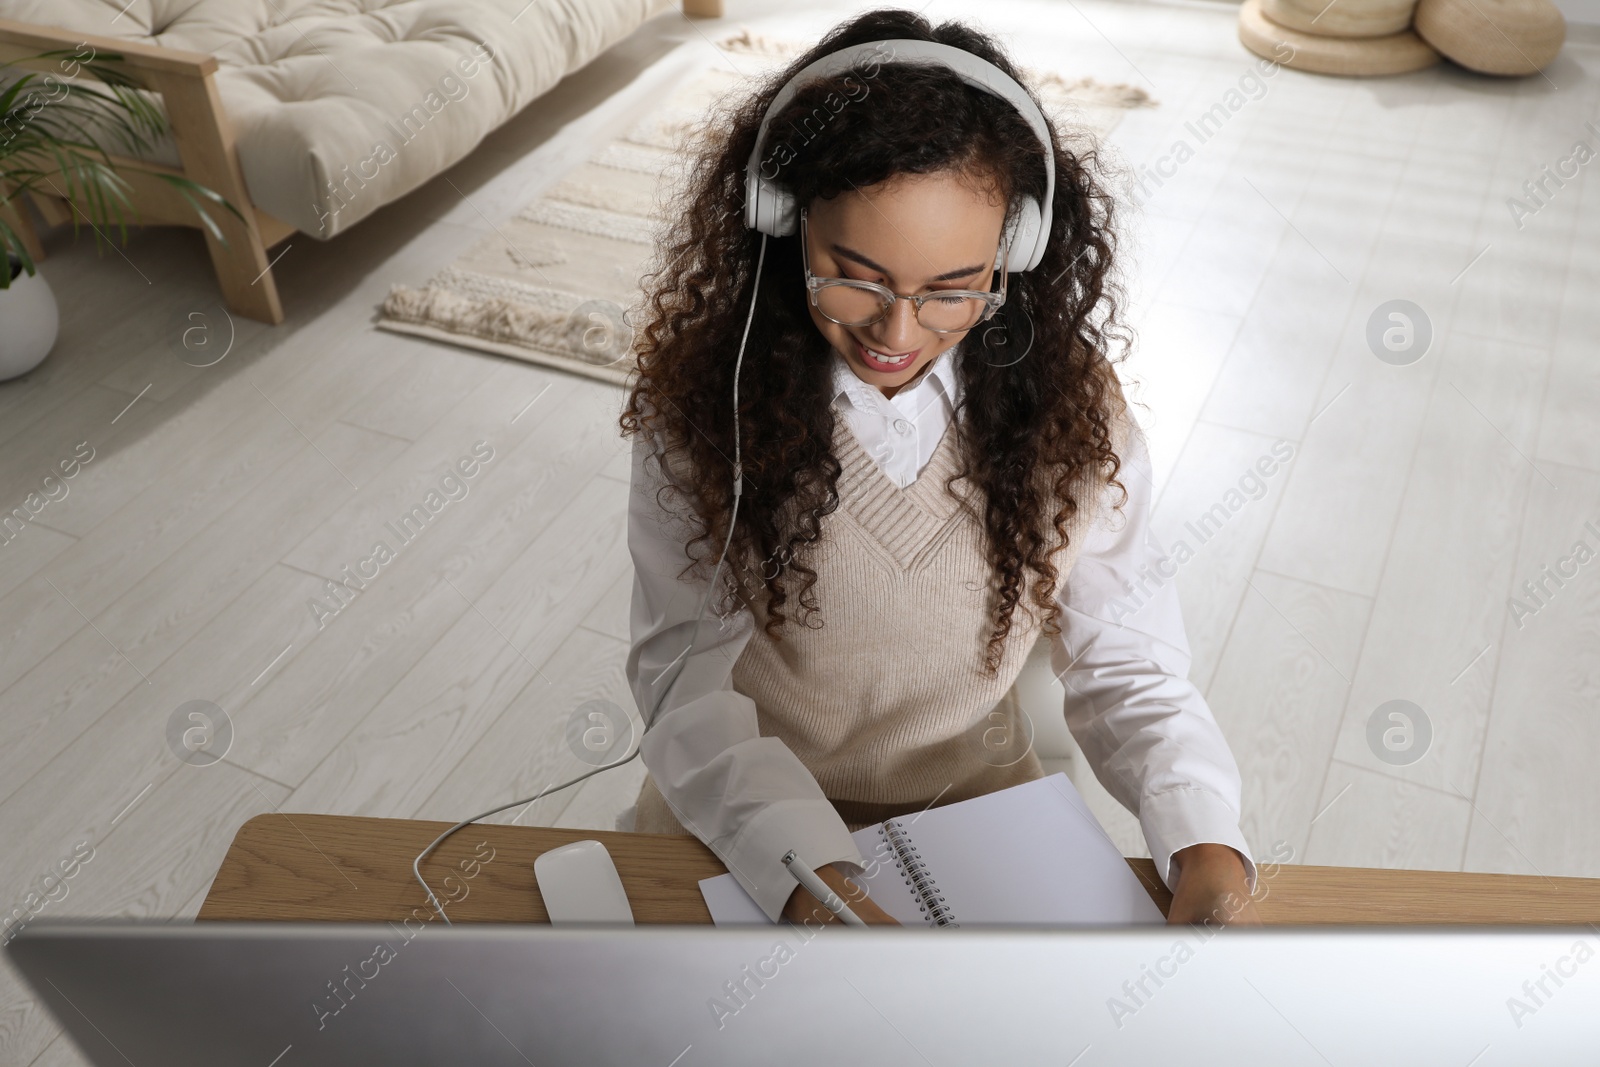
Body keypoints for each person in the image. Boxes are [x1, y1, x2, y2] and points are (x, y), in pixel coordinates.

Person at [619, 8, 1259, 929]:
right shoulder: (704, 409)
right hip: (740, 824)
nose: (898, 332)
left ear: (1017, 252)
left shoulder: (1073, 416)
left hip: (979, 824)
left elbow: (1128, 661)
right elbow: (686, 687)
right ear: (783, 215)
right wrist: (812, 880)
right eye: (855, 274)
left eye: (953, 289)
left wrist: (1205, 844)